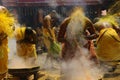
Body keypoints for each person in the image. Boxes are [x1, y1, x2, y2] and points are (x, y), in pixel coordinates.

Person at [0, 6, 15, 79]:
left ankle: (3, 76)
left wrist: (2, 37)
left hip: (2, 42)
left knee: (3, 60)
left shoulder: (3, 9)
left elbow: (12, 25)